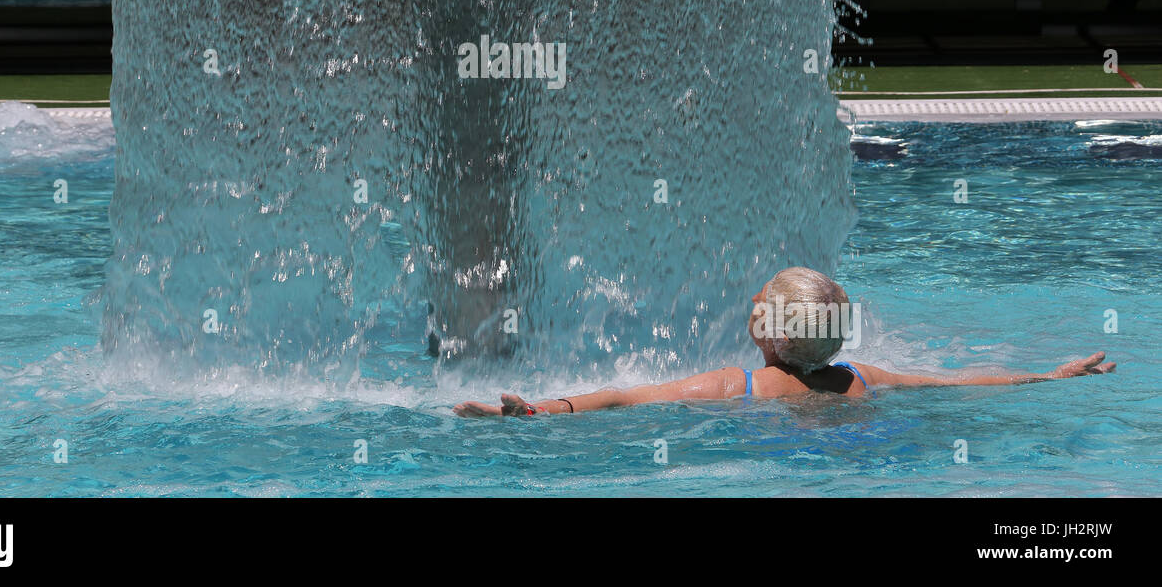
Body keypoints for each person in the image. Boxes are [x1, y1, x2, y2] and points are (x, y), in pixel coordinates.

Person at [453, 265, 1115, 417]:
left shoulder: (732, 387)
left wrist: (543, 412)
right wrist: (1052, 377)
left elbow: (625, 399)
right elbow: (966, 381)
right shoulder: (863, 379)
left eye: (761, 300)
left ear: (767, 331)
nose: (751, 301)